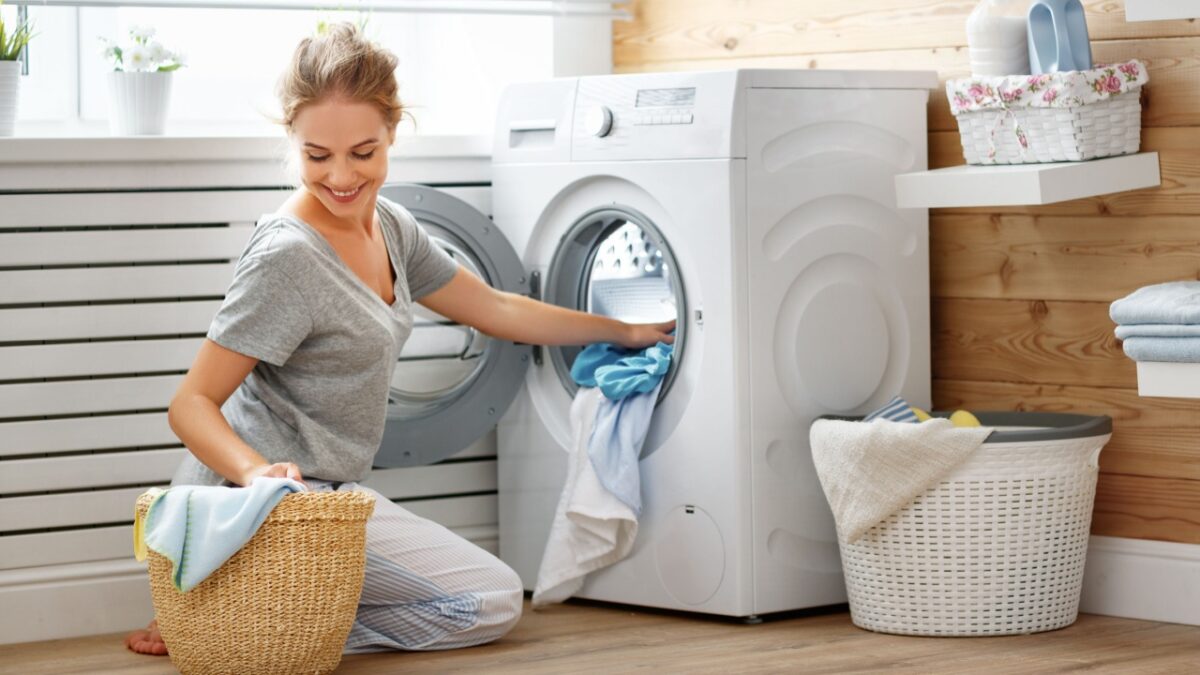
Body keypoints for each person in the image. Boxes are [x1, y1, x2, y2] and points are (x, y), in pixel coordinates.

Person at [125, 22, 674, 656]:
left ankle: (246, 625)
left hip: (331, 502)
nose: (339, 177)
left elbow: (494, 308)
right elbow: (189, 404)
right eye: (316, 155)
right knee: (490, 601)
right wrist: (257, 475)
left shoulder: (391, 226)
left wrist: (625, 329)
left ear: (393, 132)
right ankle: (242, 623)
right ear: (292, 142)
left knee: (487, 597)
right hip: (258, 504)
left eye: (363, 152)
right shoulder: (287, 257)